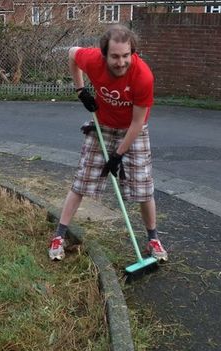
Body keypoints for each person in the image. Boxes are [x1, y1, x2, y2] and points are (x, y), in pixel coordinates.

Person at [48, 24, 168, 263]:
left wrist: (118, 155)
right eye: (115, 56)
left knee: (144, 187)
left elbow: (137, 124)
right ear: (104, 53)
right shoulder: (92, 60)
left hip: (132, 131)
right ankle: (59, 235)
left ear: (132, 52)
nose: (121, 62)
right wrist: (80, 90)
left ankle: (153, 238)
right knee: (82, 182)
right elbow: (72, 52)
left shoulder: (143, 76)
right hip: (102, 126)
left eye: (126, 55)